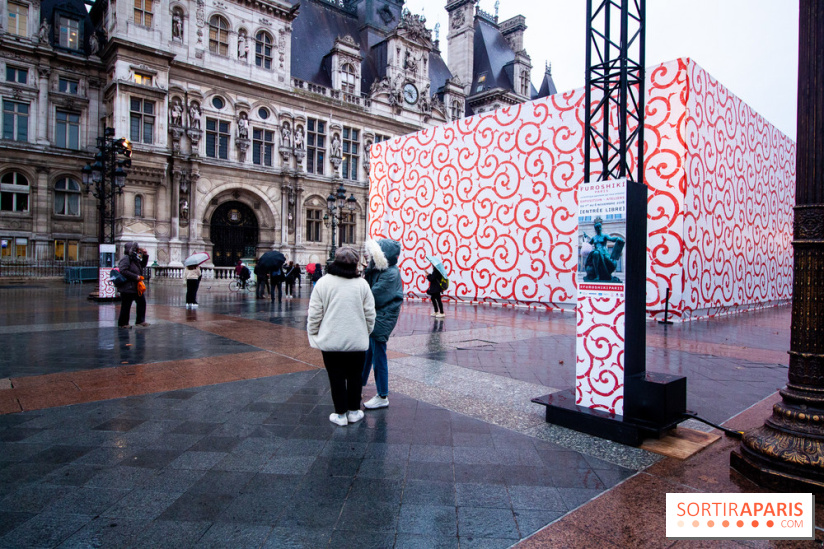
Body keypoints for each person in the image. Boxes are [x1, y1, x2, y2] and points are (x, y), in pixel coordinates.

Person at [307, 247, 376, 426]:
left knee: (335, 377)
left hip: (331, 340)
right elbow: (370, 314)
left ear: (335, 262)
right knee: (355, 376)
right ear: (355, 264)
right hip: (357, 341)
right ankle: (353, 411)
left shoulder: (323, 283)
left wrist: (313, 333)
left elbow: (315, 313)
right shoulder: (362, 284)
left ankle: (340, 414)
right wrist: (365, 332)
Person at [361, 239, 403, 410]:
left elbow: (372, 296)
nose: (369, 256)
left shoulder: (390, 273)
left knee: (378, 356)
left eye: (373, 254)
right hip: (377, 316)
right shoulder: (380, 270)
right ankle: (359, 384)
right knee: (368, 352)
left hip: (383, 317)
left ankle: (382, 395)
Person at [582, 216, 624, 283]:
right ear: (595, 229)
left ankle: (602, 274)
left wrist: (617, 238)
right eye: (597, 228)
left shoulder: (604, 236)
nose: (598, 229)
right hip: (596, 252)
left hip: (604, 253)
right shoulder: (594, 238)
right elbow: (588, 245)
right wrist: (585, 238)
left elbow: (611, 239)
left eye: (599, 227)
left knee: (598, 254)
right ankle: (597, 275)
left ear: (601, 227)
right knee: (595, 253)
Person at [117, 242, 149, 328]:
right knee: (126, 305)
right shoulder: (126, 258)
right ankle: (123, 323)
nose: (137, 250)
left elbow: (142, 265)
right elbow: (123, 270)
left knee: (142, 302)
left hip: (136, 286)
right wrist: (135, 277)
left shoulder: (134, 258)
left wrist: (145, 255)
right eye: (136, 249)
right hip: (127, 286)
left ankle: (140, 321)